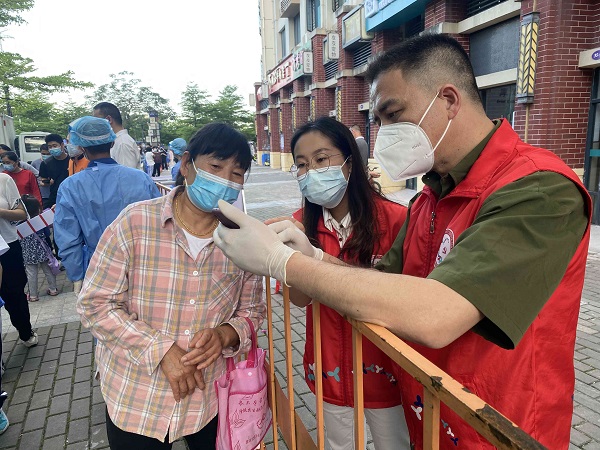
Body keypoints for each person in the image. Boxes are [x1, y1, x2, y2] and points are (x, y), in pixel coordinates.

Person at [212, 34, 591, 450]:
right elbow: (381, 281)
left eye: (393, 115)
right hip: (429, 413)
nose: (384, 135)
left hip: (496, 425)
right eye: (379, 121)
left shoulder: (538, 189)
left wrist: (282, 263)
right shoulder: (428, 199)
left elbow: (437, 313)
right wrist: (315, 255)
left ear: (448, 100)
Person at [77, 122, 266, 449]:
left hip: (208, 401)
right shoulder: (134, 222)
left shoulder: (242, 241)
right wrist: (160, 350)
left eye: (236, 174)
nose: (224, 180)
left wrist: (225, 334)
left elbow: (253, 311)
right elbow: (95, 304)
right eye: (216, 167)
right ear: (186, 164)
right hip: (136, 398)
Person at [283, 117, 410, 450]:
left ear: (349, 164)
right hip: (330, 369)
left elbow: (406, 298)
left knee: (394, 444)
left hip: (386, 370)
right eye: (301, 165)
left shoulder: (396, 220)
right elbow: (298, 300)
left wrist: (319, 260)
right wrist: (285, 260)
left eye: (322, 159)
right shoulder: (298, 226)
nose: (311, 171)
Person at [54, 117, 161, 294]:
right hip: (143, 265)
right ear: (112, 142)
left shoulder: (71, 186)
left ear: (81, 147)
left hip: (99, 269)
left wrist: (77, 275)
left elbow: (67, 237)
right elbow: (160, 224)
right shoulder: (140, 178)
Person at [0, 173, 38, 347]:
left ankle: (25, 332)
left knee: (14, 295)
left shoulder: (4, 180)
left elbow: (22, 214)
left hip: (7, 247)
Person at [19, 194, 58, 302]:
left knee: (31, 274)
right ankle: (53, 289)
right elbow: (46, 234)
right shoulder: (40, 221)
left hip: (28, 253)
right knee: (47, 270)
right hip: (42, 250)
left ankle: (33, 295)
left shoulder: (19, 224)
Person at [93, 102, 140, 169]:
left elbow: (126, 175)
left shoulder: (122, 143)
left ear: (108, 120)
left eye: (97, 120)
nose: (95, 125)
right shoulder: (117, 141)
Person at [39, 134, 69, 208]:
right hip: (55, 198)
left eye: (55, 146)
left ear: (62, 145)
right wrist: (48, 182)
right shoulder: (46, 163)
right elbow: (43, 181)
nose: (52, 148)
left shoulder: (72, 160)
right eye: (50, 147)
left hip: (70, 195)